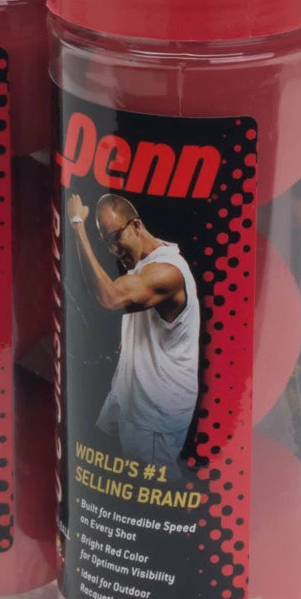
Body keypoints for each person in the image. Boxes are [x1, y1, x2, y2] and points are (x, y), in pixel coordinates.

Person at [67, 192, 199, 481]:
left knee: (151, 490)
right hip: (128, 392)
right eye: (107, 244)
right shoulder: (144, 261)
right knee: (101, 455)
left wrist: (77, 225)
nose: (114, 250)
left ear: (136, 226)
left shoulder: (167, 272)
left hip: (154, 411)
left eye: (115, 238)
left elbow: (110, 298)